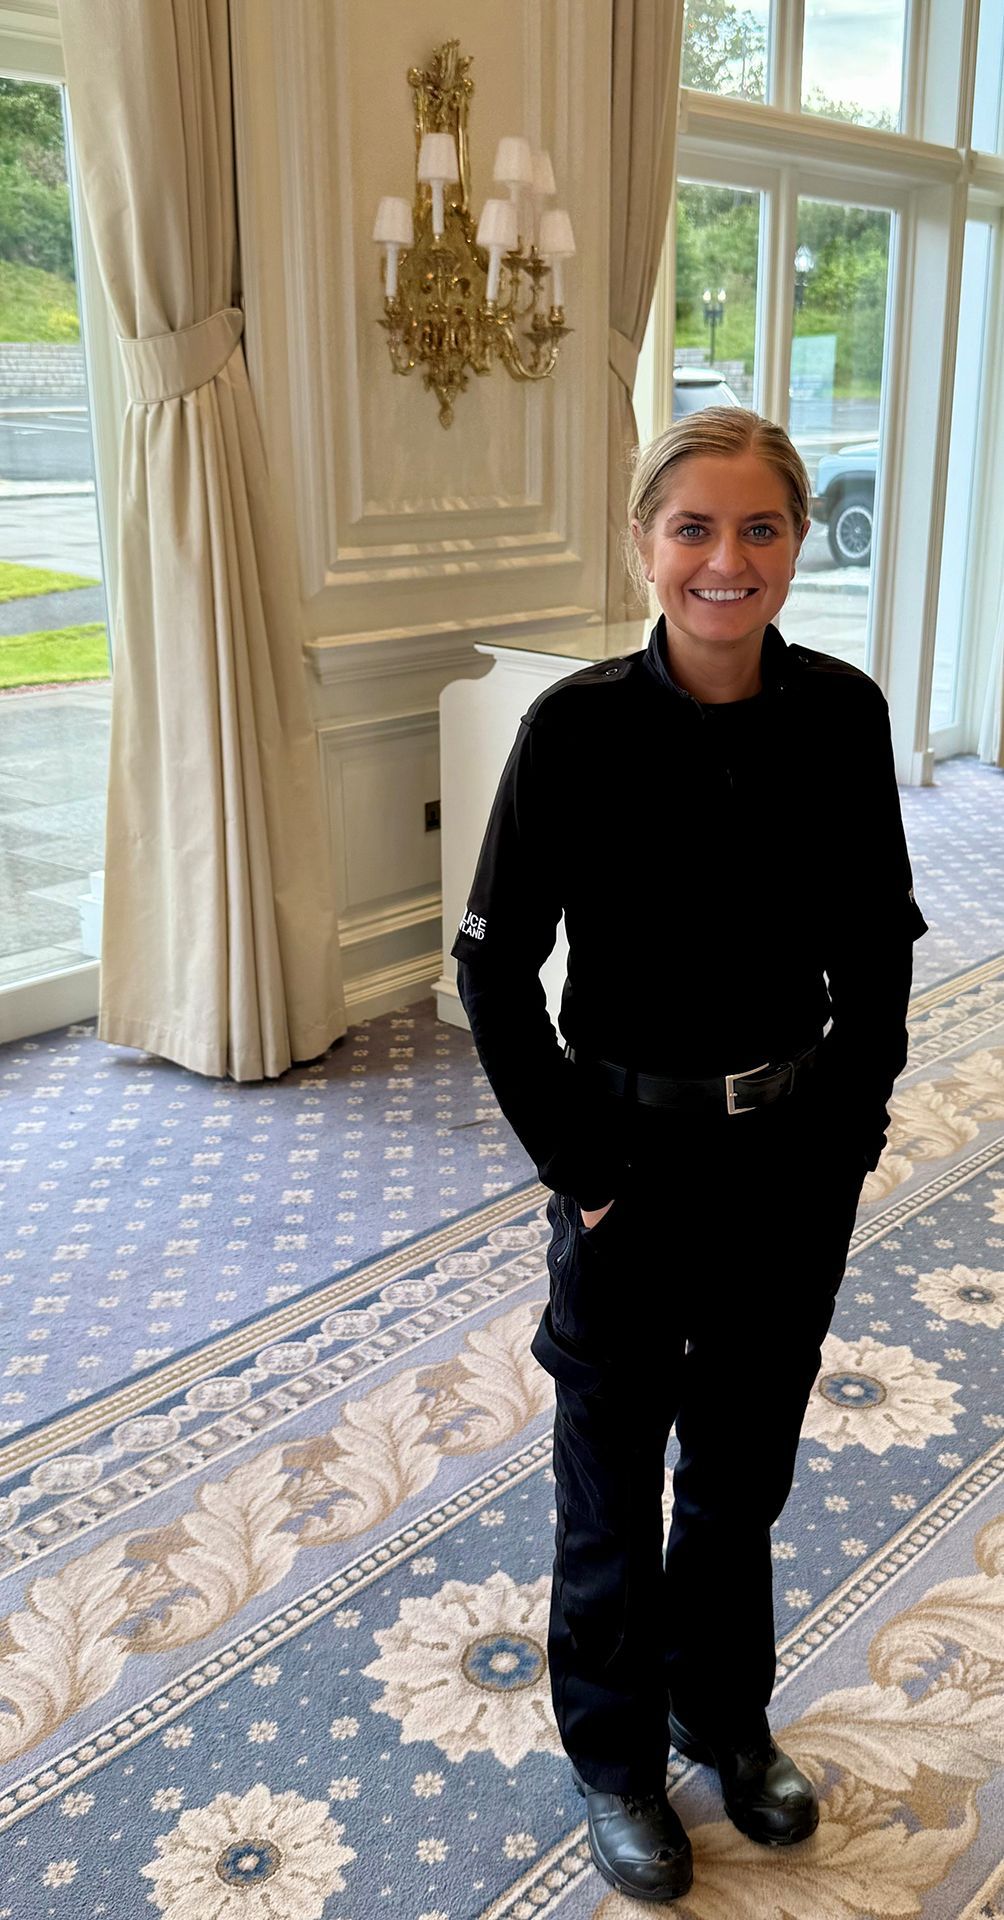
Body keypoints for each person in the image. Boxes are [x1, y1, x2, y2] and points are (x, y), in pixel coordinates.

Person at [451, 408, 928, 1904]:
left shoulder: (842, 715)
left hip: (790, 1159)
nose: (728, 559)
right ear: (644, 546)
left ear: (796, 542)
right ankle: (613, 1757)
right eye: (694, 528)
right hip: (629, 1161)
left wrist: (847, 1136)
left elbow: (880, 952)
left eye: (760, 527)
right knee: (610, 1481)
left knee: (738, 1471)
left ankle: (722, 1715)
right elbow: (491, 968)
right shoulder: (575, 730)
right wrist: (581, 1170)